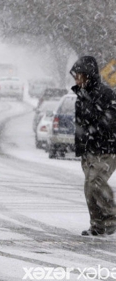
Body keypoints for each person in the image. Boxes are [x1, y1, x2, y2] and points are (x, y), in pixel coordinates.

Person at [70, 55, 116, 236]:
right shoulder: (81, 97)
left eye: (79, 75)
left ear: (87, 75)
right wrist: (81, 147)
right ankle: (97, 225)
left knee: (95, 182)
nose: (76, 79)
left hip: (106, 149)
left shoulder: (106, 95)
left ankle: (111, 217)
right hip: (89, 151)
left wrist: (95, 129)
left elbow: (112, 120)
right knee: (89, 188)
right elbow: (80, 125)